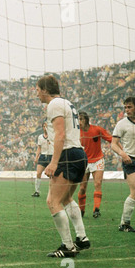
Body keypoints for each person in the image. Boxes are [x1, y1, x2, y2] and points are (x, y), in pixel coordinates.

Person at [37, 75, 90, 258]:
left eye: (37, 90)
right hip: (78, 154)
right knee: (66, 198)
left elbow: (60, 135)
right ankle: (82, 238)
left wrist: (53, 162)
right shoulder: (67, 103)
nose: (37, 94)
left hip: (67, 155)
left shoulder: (54, 105)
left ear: (44, 90)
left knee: (53, 201)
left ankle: (68, 246)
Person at [111, 97, 135, 233]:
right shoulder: (122, 124)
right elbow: (113, 143)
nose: (127, 110)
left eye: (129, 107)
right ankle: (124, 224)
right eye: (125, 107)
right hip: (131, 160)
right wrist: (123, 154)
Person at [77, 111, 112, 218]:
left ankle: (96, 209)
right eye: (78, 119)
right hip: (84, 161)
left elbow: (111, 139)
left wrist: (122, 149)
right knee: (82, 187)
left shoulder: (97, 129)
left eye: (81, 119)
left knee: (97, 183)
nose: (79, 122)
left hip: (97, 160)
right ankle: (81, 210)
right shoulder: (76, 133)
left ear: (86, 120)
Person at [32, 121, 53, 197]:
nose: (45, 128)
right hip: (43, 156)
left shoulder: (52, 136)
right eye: (44, 126)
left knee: (51, 175)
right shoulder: (40, 137)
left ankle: (52, 192)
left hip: (51, 156)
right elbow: (39, 148)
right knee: (38, 173)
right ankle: (37, 191)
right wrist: (36, 157)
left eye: (46, 126)